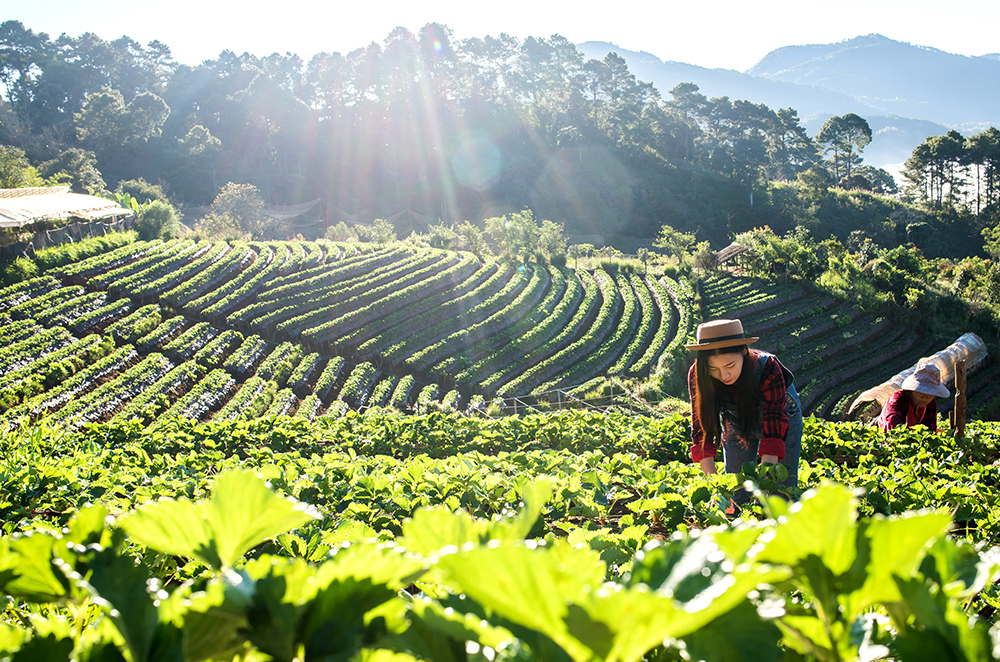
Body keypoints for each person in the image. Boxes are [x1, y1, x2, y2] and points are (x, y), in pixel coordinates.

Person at [686, 318, 802, 506]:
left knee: (779, 495)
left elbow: (774, 429)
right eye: (713, 369)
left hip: (781, 418)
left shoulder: (768, 368)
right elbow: (701, 430)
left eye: (730, 366)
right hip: (736, 419)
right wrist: (716, 487)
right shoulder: (698, 375)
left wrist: (764, 484)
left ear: (743, 352)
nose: (724, 375)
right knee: (735, 495)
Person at [876, 364, 949, 432]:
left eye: (931, 393)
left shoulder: (931, 404)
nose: (926, 397)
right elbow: (893, 428)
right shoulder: (898, 400)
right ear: (913, 389)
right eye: (922, 391)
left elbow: (930, 429)